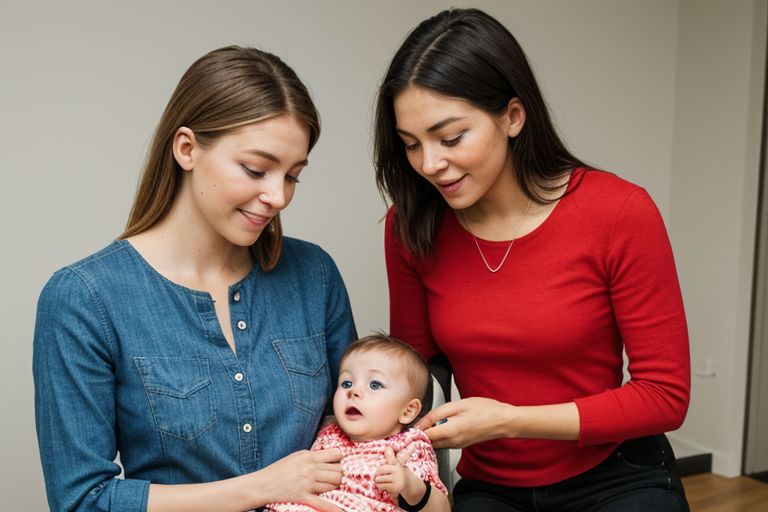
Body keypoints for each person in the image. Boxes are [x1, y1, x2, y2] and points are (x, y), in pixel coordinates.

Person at [374, 8, 690, 512]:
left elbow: (664, 395)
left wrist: (510, 420)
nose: (430, 164)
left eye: (451, 138)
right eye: (412, 144)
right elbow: (416, 376)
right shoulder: (410, 224)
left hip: (615, 475)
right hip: (492, 486)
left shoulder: (619, 212)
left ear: (513, 117)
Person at [33, 46, 357, 512]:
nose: (277, 196)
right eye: (255, 169)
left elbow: (361, 434)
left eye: (293, 176)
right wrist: (263, 487)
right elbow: (82, 499)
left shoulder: (315, 275)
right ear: (187, 148)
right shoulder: (84, 299)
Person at [266, 334, 449, 512]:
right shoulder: (328, 431)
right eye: (346, 383)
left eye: (375, 385)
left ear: (407, 411)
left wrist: (412, 488)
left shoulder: (410, 445)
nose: (354, 391)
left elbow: (442, 508)